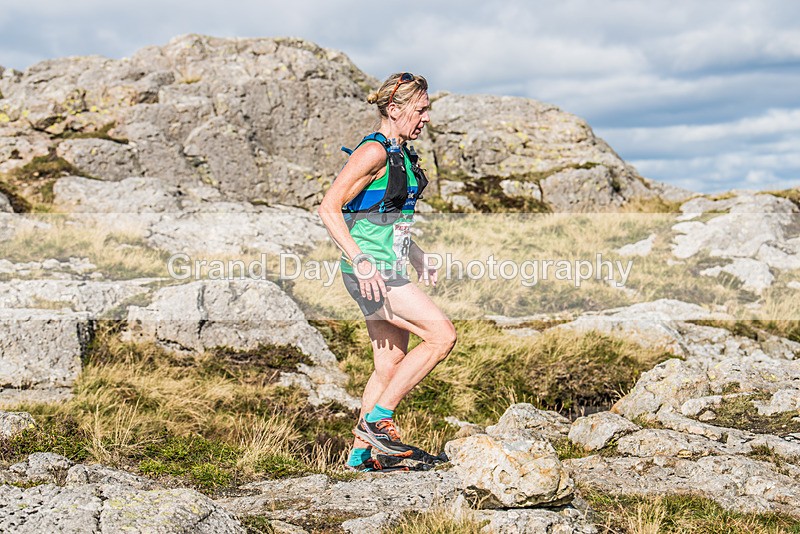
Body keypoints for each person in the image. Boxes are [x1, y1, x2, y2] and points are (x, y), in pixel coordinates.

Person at [317, 73, 457, 471]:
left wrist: (416, 254)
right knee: (441, 335)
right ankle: (380, 420)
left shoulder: (401, 154)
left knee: (389, 365)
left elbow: (384, 218)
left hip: (388, 268)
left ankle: (360, 456)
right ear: (394, 109)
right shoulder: (372, 153)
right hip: (372, 272)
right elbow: (329, 208)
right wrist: (360, 260)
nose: (426, 118)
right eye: (421, 109)